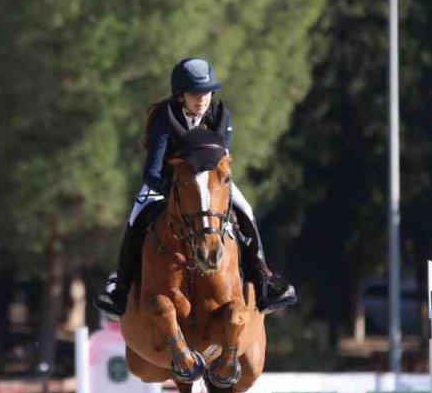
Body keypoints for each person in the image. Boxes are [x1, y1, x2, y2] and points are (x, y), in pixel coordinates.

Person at [94, 57, 297, 318]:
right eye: (194, 93)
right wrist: (176, 192)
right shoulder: (165, 120)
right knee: (136, 217)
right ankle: (120, 287)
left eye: (207, 92)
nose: (202, 98)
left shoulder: (220, 117)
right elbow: (152, 171)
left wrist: (209, 191)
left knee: (246, 210)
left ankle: (264, 280)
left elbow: (220, 164)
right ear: (181, 95)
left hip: (211, 185)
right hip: (168, 183)